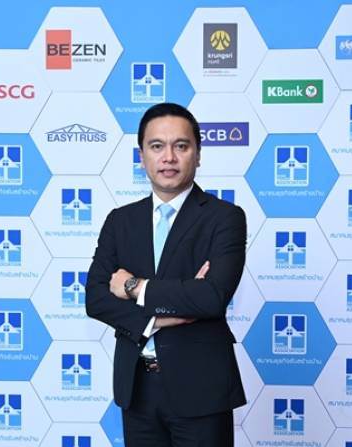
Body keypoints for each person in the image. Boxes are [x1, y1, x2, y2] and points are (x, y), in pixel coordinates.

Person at [85, 102, 246, 446]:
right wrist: (156, 319)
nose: (168, 157)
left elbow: (211, 297)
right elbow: (96, 298)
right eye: (157, 146)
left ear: (197, 155)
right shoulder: (120, 221)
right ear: (142, 157)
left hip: (201, 390)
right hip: (137, 389)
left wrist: (134, 287)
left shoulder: (225, 218)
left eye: (181, 146)